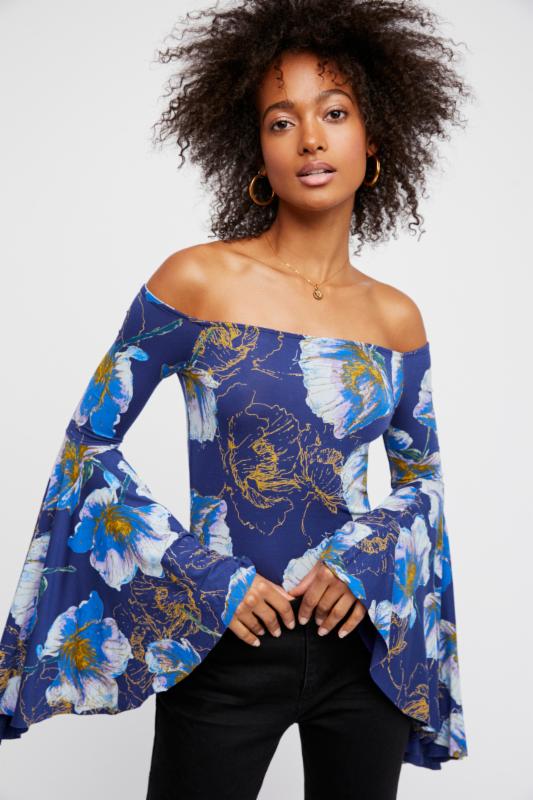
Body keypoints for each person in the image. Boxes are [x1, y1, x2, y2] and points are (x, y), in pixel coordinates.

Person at [0, 0, 472, 797]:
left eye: (334, 113)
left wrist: (360, 561)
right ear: (257, 149)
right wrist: (207, 576)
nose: (310, 139)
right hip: (223, 644)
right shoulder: (197, 280)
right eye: (281, 122)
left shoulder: (396, 319)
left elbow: (421, 484)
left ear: (374, 138)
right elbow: (88, 446)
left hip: (361, 652)